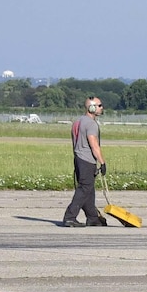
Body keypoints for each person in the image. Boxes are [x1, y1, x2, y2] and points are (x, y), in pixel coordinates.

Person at [62, 96, 108, 227]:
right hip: (87, 160)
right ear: (92, 108)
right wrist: (102, 162)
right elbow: (94, 145)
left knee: (89, 190)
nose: (101, 107)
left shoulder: (78, 122)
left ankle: (93, 217)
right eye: (99, 105)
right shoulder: (91, 124)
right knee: (84, 188)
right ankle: (70, 217)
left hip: (78, 158)